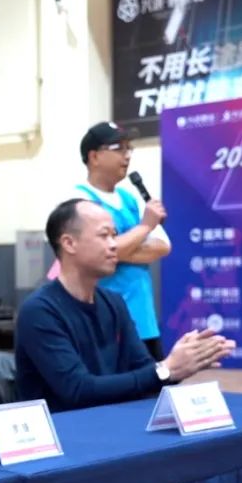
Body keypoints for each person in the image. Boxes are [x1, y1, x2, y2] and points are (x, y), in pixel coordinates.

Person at [15, 199, 234, 412]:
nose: (113, 245)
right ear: (69, 243)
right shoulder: (40, 311)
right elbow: (78, 389)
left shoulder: (113, 302)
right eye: (104, 235)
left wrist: (180, 365)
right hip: (66, 431)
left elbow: (145, 371)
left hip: (114, 422)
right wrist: (165, 370)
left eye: (114, 235)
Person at [74, 121, 171, 360]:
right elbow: (97, 253)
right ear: (94, 156)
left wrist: (119, 249)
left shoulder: (131, 197)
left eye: (129, 148)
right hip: (104, 321)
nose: (126, 155)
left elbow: (163, 246)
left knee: (155, 381)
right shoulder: (79, 199)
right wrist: (145, 227)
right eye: (118, 148)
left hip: (144, 320)